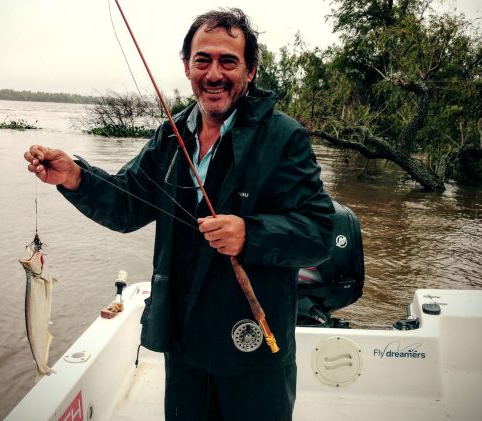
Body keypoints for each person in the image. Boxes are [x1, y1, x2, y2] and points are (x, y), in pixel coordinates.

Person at [25, 8, 334, 420]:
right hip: (185, 338)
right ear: (187, 66)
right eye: (202, 59)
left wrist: (250, 233)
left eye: (229, 61)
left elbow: (319, 232)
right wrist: (76, 177)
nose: (214, 73)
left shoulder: (284, 138)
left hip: (253, 345)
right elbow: (127, 204)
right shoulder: (171, 136)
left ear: (251, 71)